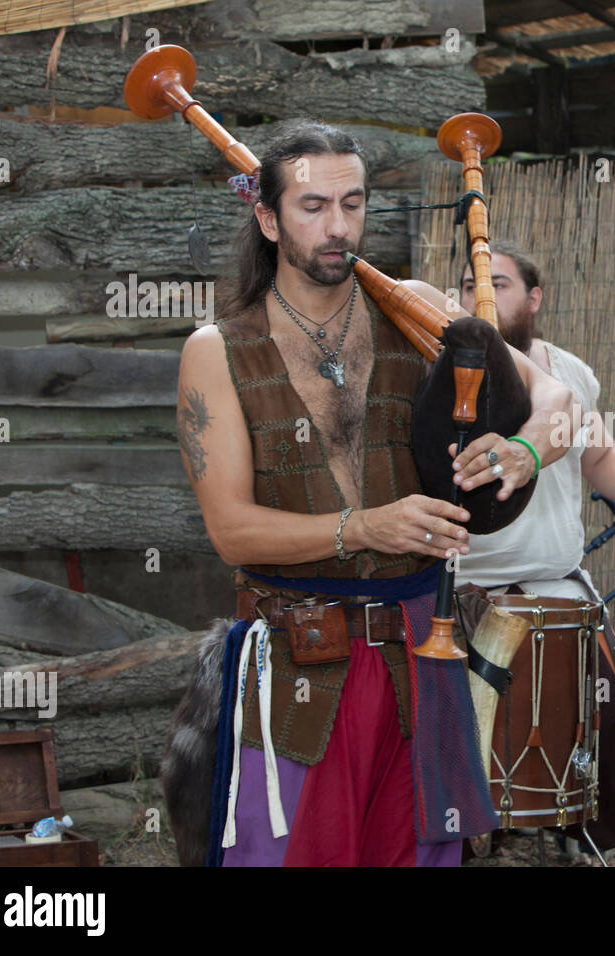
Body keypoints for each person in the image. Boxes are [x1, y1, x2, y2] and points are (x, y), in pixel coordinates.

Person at [162, 123, 573, 867]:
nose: (338, 227)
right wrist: (366, 528)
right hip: (294, 664)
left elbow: (560, 398)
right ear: (267, 219)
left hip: (421, 653)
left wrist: (523, 451)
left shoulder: (412, 312)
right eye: (313, 206)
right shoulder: (216, 350)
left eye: (352, 203)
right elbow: (231, 531)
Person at [452, 242, 615, 866]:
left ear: (533, 299)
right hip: (457, 608)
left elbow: (600, 457)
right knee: (455, 772)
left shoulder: (568, 374)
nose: (477, 295)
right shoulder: (437, 372)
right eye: (466, 284)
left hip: (559, 601)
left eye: (498, 283)